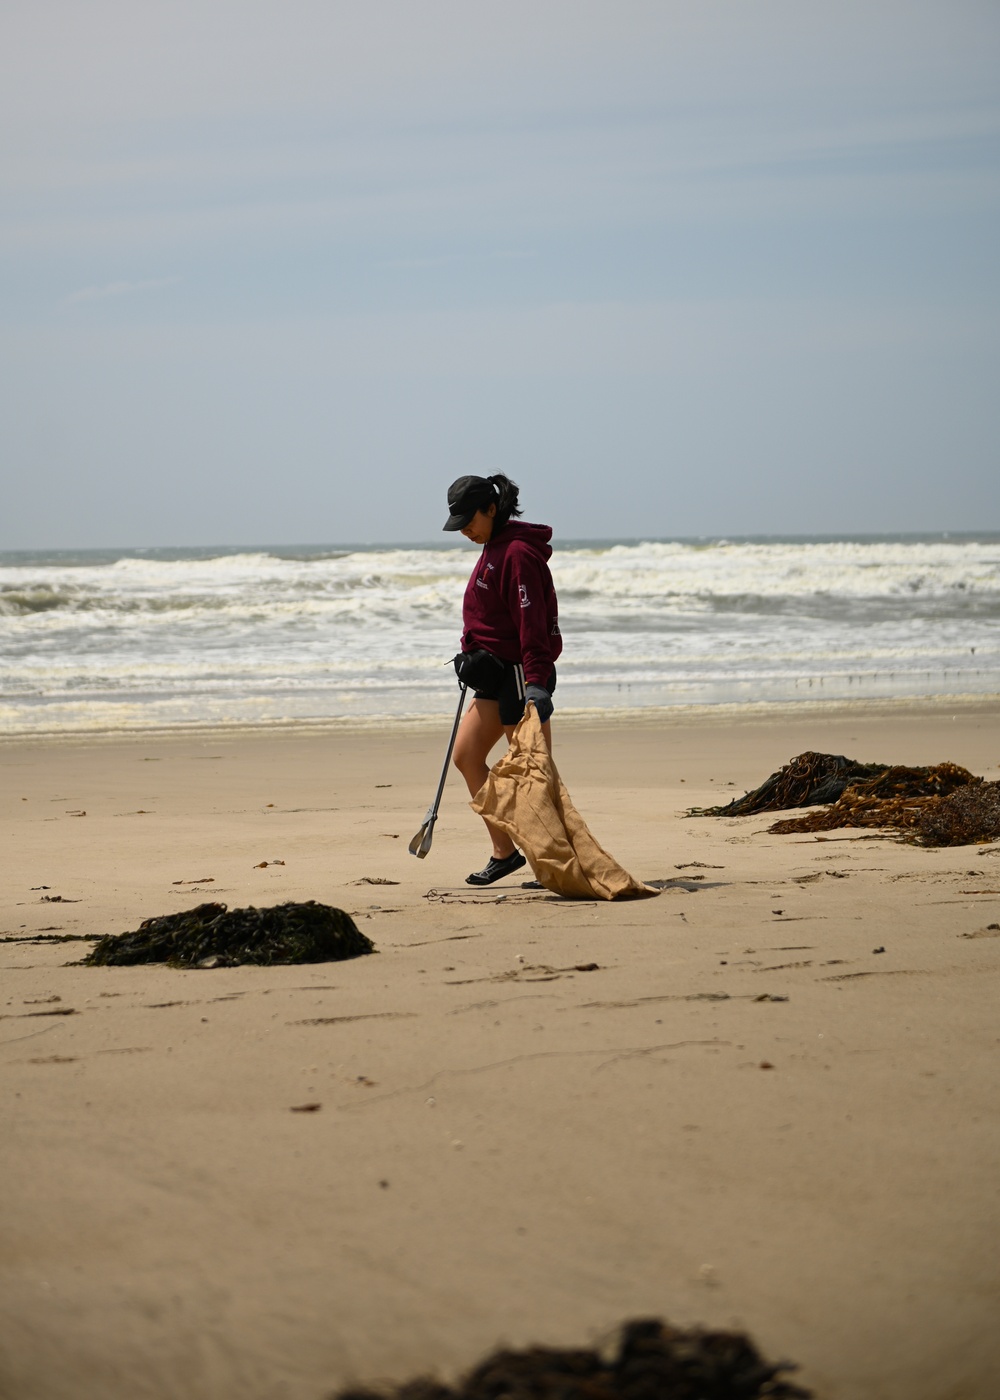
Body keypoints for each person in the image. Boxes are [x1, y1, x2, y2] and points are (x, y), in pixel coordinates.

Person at [443, 473, 562, 886]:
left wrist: (536, 683)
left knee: (533, 774)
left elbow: (532, 623)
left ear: (491, 509)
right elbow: (485, 613)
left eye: (468, 521)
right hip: (491, 675)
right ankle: (505, 851)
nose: (465, 531)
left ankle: (554, 864)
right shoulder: (493, 547)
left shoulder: (516, 553)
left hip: (518, 676)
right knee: (465, 756)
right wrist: (468, 651)